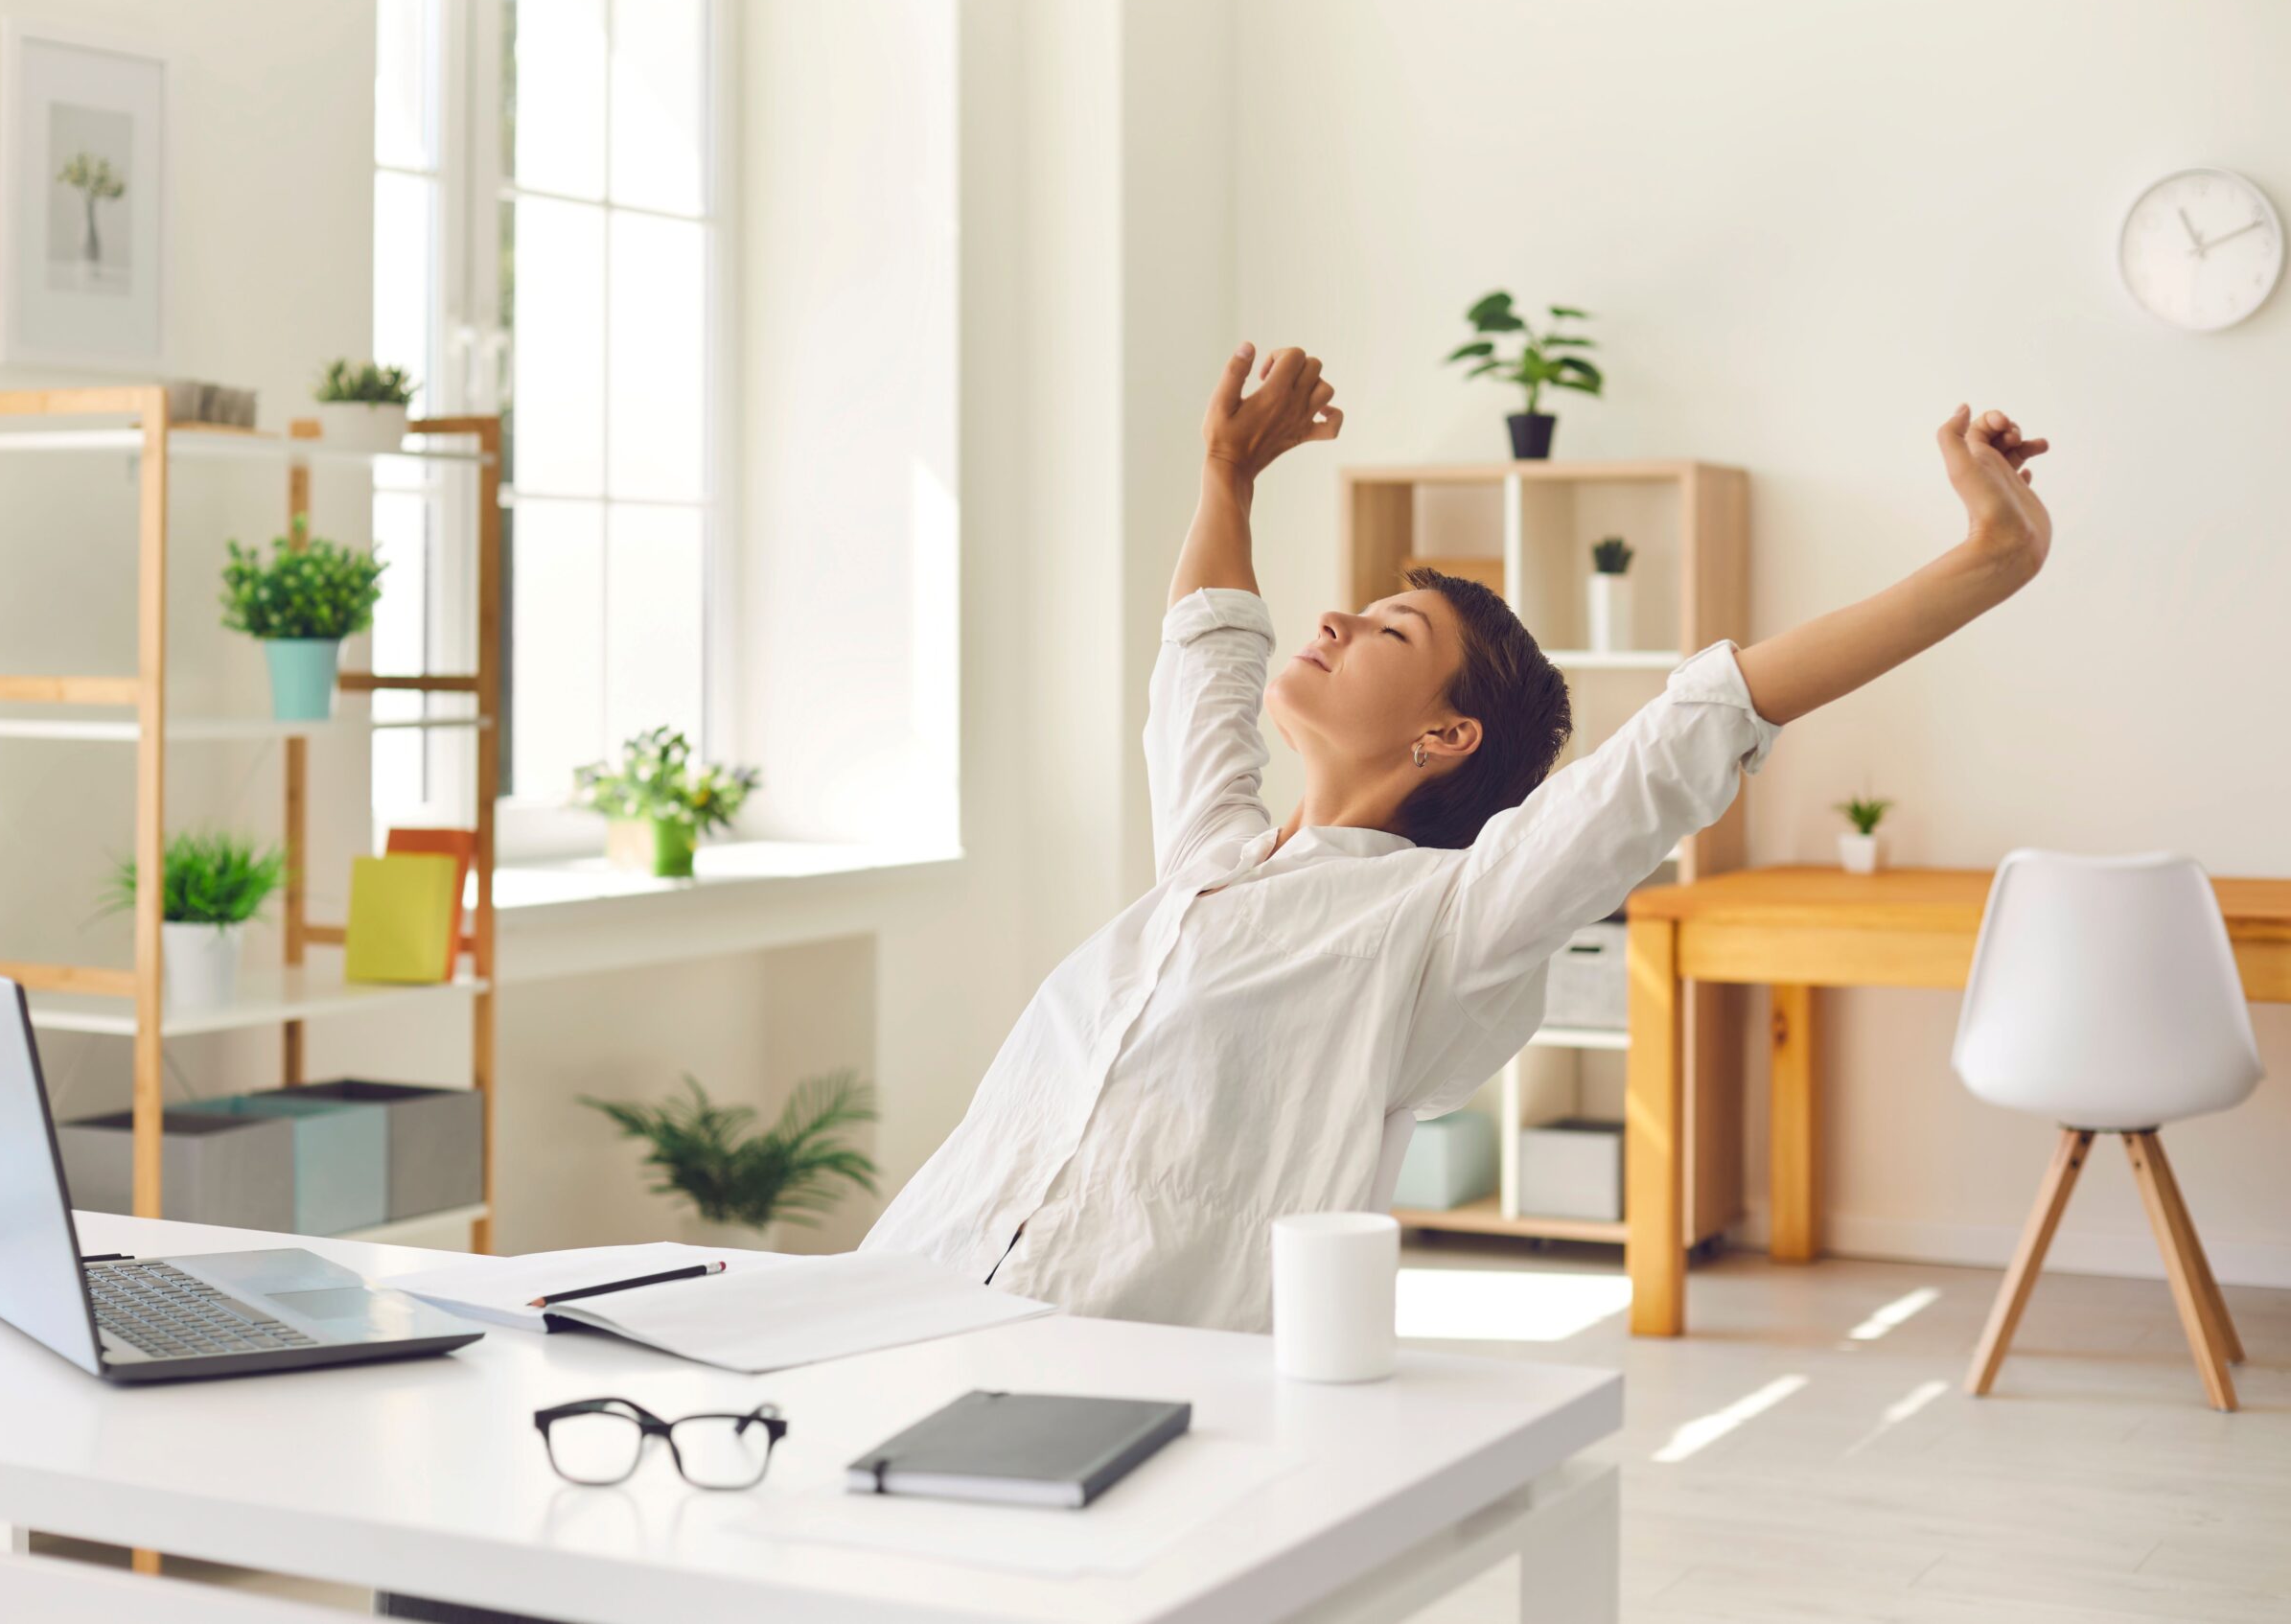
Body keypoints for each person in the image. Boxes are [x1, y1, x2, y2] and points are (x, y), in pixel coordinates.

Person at [862, 342, 2051, 1332]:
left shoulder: (1443, 924)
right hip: (902, 1290)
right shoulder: (1210, 865)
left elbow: (1698, 724)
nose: (1334, 617)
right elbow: (1206, 656)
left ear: (1445, 735)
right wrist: (1227, 473)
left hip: (1099, 1368)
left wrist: (1990, 560)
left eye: (1386, 631)